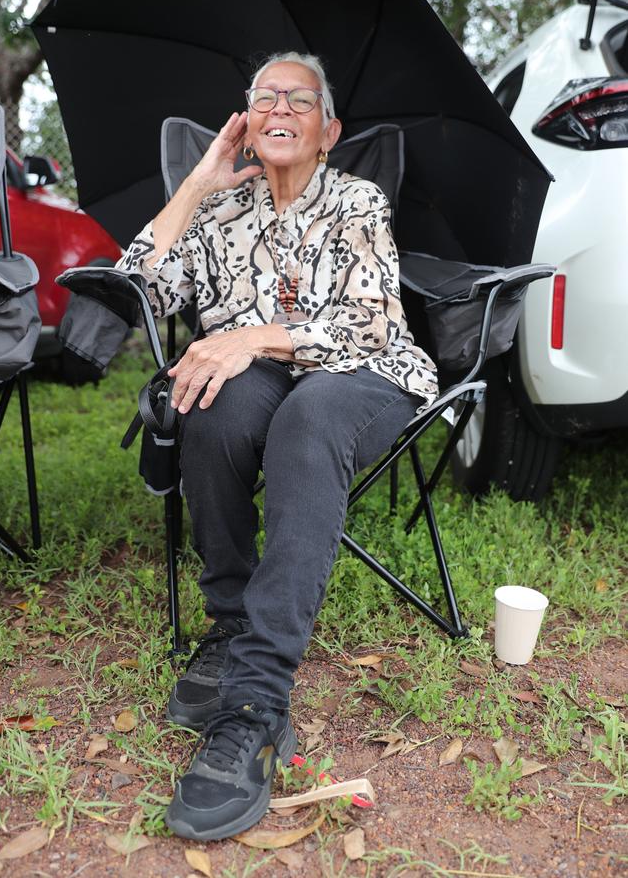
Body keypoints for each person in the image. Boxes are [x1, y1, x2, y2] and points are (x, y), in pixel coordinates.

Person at [117, 52, 438, 841]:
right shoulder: (225, 209)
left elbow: (368, 326)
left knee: (306, 415)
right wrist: (200, 182)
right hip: (264, 375)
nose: (281, 106)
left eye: (301, 99)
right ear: (247, 122)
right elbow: (139, 282)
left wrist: (248, 336)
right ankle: (231, 623)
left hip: (363, 376)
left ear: (328, 130)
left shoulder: (356, 199)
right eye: (265, 98)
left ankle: (256, 702)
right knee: (216, 402)